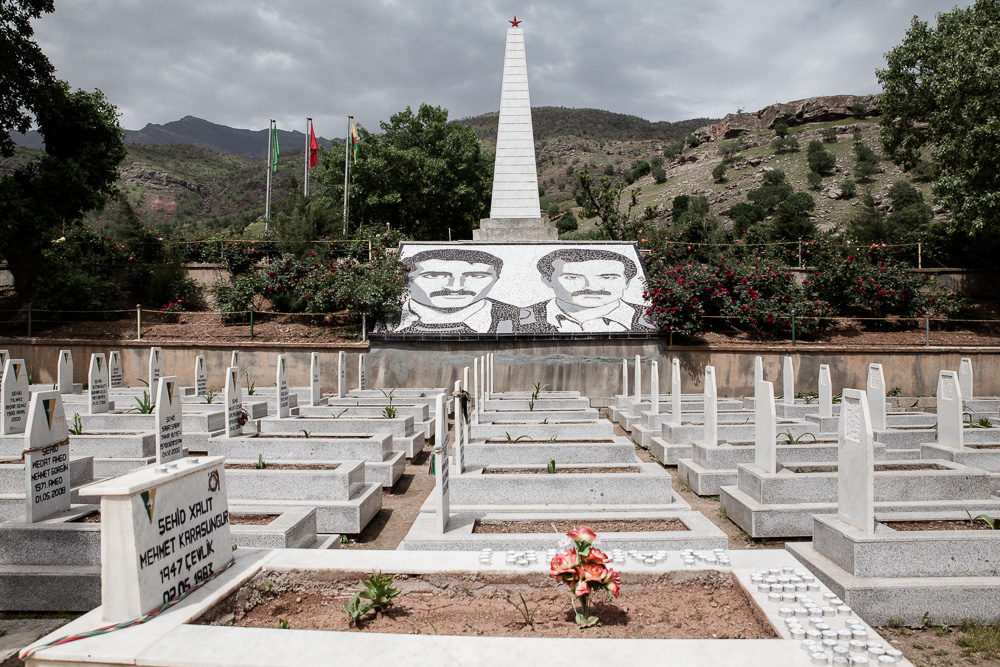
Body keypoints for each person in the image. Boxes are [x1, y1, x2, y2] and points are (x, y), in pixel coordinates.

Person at [380, 248, 520, 334]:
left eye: (476, 275)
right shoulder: (385, 317)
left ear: (496, 279)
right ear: (406, 279)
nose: (455, 287)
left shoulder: (521, 317)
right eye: (434, 275)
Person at [518, 248, 655, 333]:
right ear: (547, 280)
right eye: (572, 277)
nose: (592, 287)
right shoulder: (517, 319)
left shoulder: (652, 319)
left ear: (627, 282)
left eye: (608, 277)